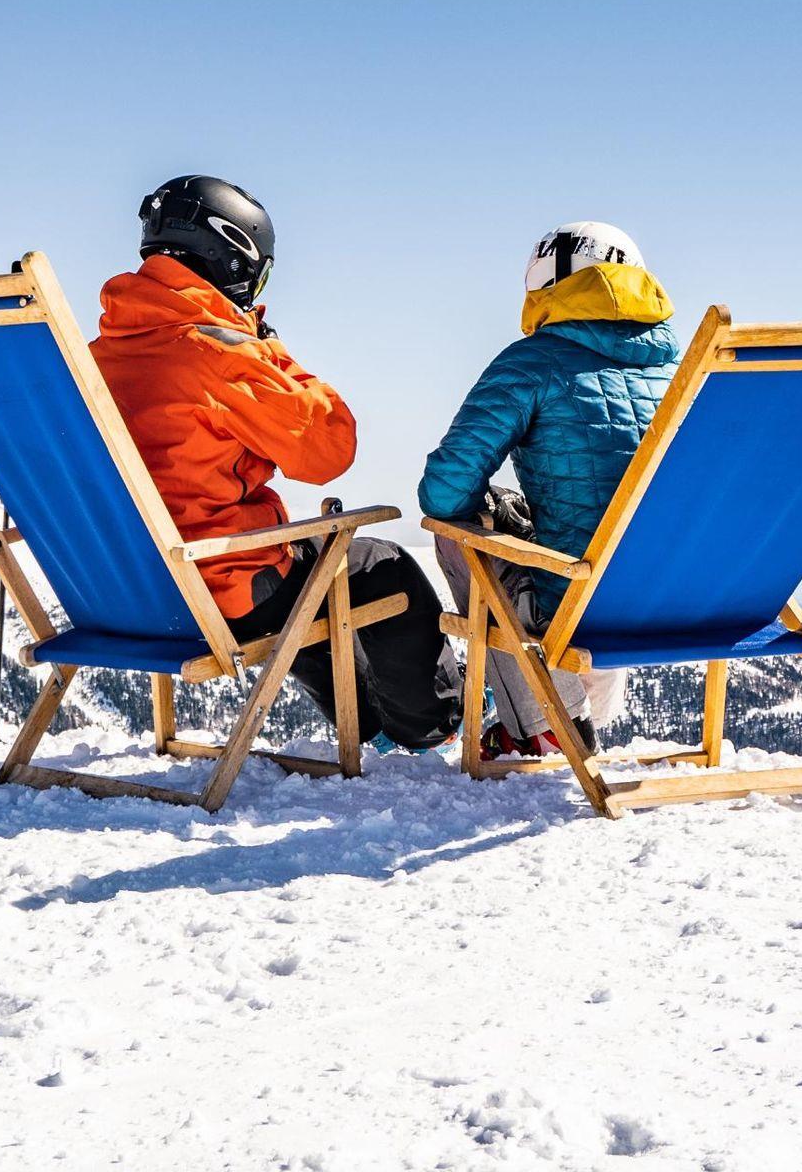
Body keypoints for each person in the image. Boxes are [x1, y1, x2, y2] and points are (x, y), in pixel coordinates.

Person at [91, 175, 462, 750]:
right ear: (235, 259)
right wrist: (268, 349)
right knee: (379, 567)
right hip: (217, 588)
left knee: (306, 574)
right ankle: (432, 725)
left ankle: (365, 725)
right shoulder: (217, 354)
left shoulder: (95, 357)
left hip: (121, 590)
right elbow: (328, 450)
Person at [419, 221, 682, 758]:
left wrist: (486, 506)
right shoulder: (680, 369)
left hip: (579, 599)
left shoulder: (533, 362)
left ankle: (544, 724)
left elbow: (443, 493)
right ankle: (583, 711)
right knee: (605, 538)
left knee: (457, 535)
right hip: (680, 593)